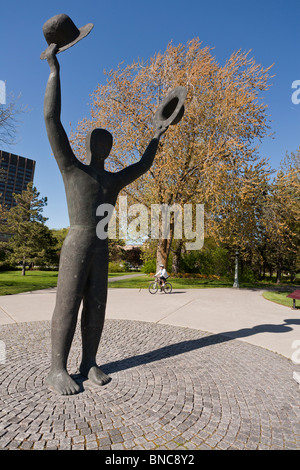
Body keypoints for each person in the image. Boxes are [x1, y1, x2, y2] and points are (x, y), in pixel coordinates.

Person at [43, 43, 168, 395]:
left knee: (96, 306)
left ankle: (89, 363)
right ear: (89, 144)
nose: (104, 146)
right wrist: (55, 73)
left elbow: (143, 166)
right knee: (66, 305)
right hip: (77, 241)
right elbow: (51, 121)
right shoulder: (72, 169)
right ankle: (56, 369)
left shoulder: (111, 179)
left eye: (108, 143)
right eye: (100, 141)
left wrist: (156, 134)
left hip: (100, 245)